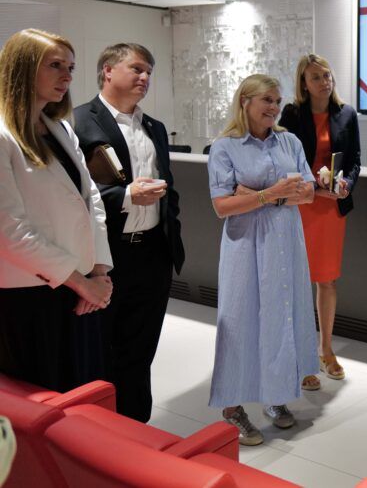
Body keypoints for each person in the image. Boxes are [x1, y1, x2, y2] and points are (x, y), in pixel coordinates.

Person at [73, 43, 185, 423]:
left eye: (149, 71)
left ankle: (138, 427)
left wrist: (171, 233)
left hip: (153, 254)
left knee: (141, 349)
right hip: (106, 256)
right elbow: (75, 194)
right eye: (137, 68)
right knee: (101, 349)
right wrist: (125, 196)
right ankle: (101, 429)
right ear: (107, 70)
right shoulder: (79, 122)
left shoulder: (154, 127)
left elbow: (169, 187)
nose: (145, 77)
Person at [207, 74, 319, 446]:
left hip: (285, 243)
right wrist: (270, 195)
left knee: (280, 317)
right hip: (245, 247)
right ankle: (232, 408)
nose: (274, 107)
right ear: (246, 101)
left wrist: (257, 195)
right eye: (267, 100)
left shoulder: (290, 141)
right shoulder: (225, 147)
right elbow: (222, 206)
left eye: (277, 101)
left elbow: (308, 193)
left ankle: (274, 395)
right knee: (240, 321)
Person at [0, 29, 113, 393]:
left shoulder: (60, 128)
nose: (67, 76)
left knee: (82, 392)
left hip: (77, 287)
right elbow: (9, 231)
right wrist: (82, 282)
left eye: (70, 67)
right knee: (43, 399)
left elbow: (90, 198)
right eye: (55, 65)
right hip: (29, 294)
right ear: (22, 68)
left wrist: (98, 272)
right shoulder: (3, 136)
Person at [279, 54, 361, 390]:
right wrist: (312, 186)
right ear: (304, 83)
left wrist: (346, 185)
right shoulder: (291, 114)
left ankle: (326, 350)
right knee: (296, 283)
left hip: (331, 210)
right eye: (316, 77)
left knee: (326, 281)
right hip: (300, 205)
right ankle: (299, 356)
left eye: (326, 75)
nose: (324, 81)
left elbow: (354, 160)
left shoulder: (347, 113)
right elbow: (282, 158)